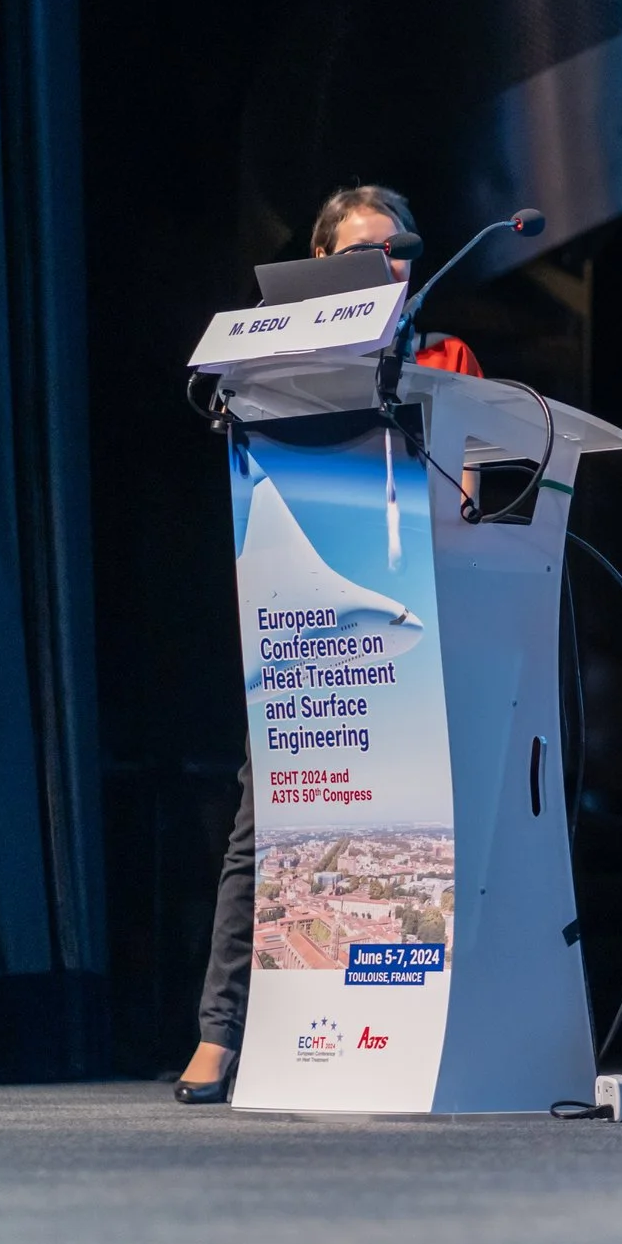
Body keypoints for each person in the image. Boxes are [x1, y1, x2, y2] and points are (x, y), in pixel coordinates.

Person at [174, 183, 482, 1103]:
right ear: (319, 269)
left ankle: (427, 1033)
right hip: (314, 643)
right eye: (365, 253)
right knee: (264, 820)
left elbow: (469, 491)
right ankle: (220, 1034)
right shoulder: (272, 366)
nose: (390, 267)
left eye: (400, 251)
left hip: (417, 627)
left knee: (426, 840)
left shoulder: (443, 356)